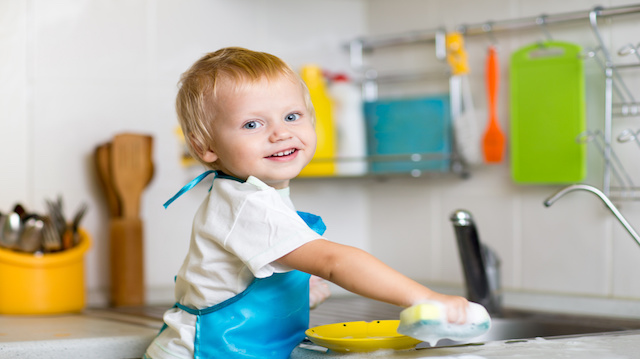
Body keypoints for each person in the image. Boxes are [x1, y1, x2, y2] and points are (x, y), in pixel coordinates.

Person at [144, 47, 469, 359]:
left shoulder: (255, 195)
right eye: (252, 124)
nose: (280, 133)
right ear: (206, 148)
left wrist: (294, 293)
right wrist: (426, 298)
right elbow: (333, 261)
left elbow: (228, 284)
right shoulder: (248, 205)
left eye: (291, 115)